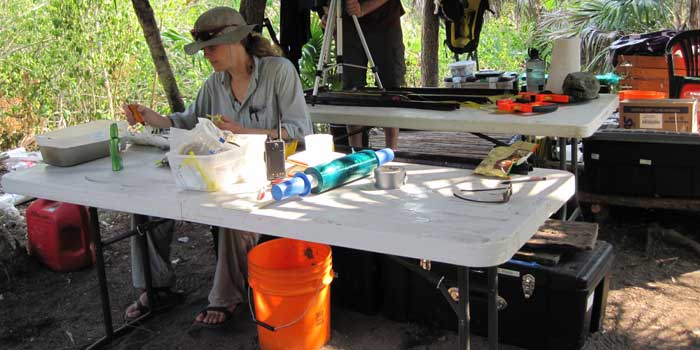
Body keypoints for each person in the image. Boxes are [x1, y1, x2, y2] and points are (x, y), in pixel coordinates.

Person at [121, 6, 313, 326]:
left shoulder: (278, 71)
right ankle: (156, 288)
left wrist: (243, 131)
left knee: (233, 210)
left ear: (236, 40)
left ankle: (225, 297)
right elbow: (185, 123)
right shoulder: (215, 84)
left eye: (211, 47)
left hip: (275, 170)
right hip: (224, 170)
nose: (207, 55)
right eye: (203, 50)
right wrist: (152, 118)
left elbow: (299, 133)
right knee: (146, 206)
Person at [341, 0, 406, 150]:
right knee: (351, 91)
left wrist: (363, 9)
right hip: (348, 21)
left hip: (385, 19)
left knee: (391, 89)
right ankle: (355, 153)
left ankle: (391, 153)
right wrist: (327, 13)